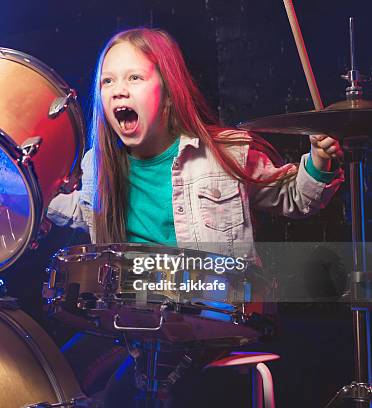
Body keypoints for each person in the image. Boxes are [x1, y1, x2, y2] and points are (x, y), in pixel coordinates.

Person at [45, 27, 344, 407]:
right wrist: (24, 189)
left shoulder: (225, 153)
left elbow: (294, 198)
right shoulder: (98, 166)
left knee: (147, 393)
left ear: (168, 93)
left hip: (211, 322)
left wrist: (320, 161)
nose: (118, 89)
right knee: (58, 370)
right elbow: (80, 212)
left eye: (134, 77)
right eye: (108, 81)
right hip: (132, 325)